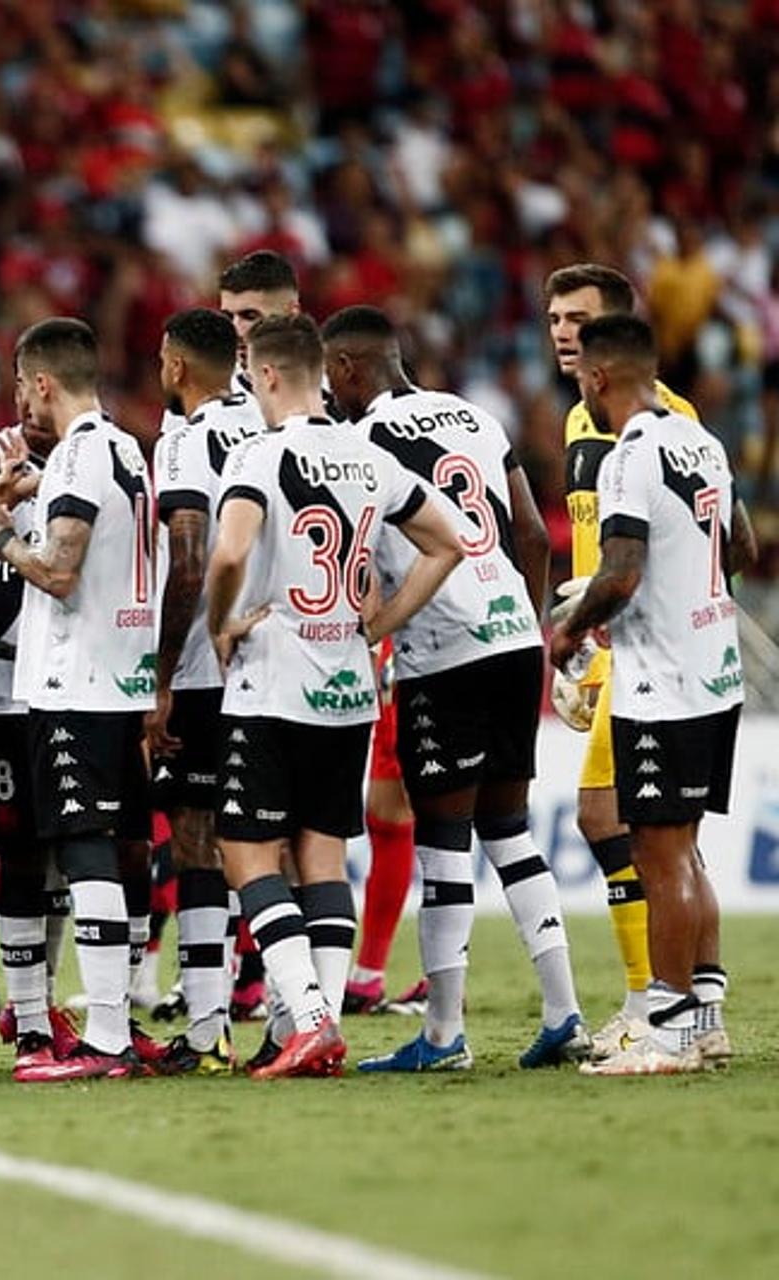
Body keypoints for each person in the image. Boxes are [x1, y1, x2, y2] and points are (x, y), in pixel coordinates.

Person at [318, 305, 588, 1073]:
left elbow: (359, 558)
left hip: (444, 651)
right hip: (512, 637)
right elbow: (532, 534)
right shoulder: (473, 414)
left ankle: (441, 1035)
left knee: (443, 843)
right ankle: (564, 1011)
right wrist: (524, 625)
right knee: (509, 832)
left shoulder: (360, 442)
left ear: (346, 370)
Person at [204, 314, 462, 1079]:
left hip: (274, 679)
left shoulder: (259, 455)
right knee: (320, 853)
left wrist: (221, 623)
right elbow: (447, 544)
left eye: (250, 373)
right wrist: (379, 622)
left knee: (246, 850)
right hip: (348, 685)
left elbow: (229, 552)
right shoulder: (367, 455)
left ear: (269, 375)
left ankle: (311, 1019)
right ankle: (314, 1020)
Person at [550, 314, 753, 1077]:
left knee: (658, 856)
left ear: (599, 379)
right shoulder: (703, 441)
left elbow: (623, 570)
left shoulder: (628, 456)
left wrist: (573, 627)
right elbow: (743, 548)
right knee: (686, 852)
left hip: (660, 683)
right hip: (714, 669)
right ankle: (700, 1017)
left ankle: (664, 1028)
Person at [0, 318, 156, 1082]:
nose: (20, 403)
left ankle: (106, 1039)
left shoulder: (79, 452)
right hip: (122, 678)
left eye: (20, 386)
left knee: (82, 854)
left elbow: (58, 573)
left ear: (42, 384)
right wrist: (31, 494)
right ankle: (116, 1030)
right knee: (108, 852)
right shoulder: (123, 447)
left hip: (75, 683)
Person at [544, 264, 701, 1061]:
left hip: (651, 651)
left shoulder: (661, 423)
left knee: (611, 819)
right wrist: (573, 635)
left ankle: (654, 1007)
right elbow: (584, 545)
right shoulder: (580, 422)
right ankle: (694, 1018)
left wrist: (584, 629)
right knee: (662, 836)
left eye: (579, 318)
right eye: (554, 318)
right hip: (610, 649)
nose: (563, 332)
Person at [145, 307, 265, 1075]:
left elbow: (189, 560)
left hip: (204, 665)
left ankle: (207, 1028)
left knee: (196, 839)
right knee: (273, 839)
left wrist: (159, 677)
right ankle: (293, 1018)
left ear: (177, 366)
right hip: (283, 658)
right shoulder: (268, 420)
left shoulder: (188, 440)